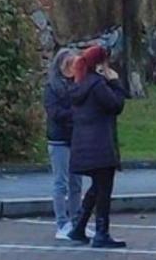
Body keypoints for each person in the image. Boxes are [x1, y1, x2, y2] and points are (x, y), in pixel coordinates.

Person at [67, 44, 127, 248]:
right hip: (101, 146)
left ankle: (79, 227)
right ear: (101, 63)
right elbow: (116, 105)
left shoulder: (78, 84)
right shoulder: (97, 85)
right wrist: (115, 81)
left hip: (83, 145)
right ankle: (102, 232)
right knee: (104, 189)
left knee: (96, 187)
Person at [43, 48, 84, 241]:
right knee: (61, 183)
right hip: (59, 139)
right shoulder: (52, 87)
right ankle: (62, 222)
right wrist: (75, 115)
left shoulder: (79, 83)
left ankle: (77, 221)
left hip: (76, 138)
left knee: (76, 182)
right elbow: (55, 113)